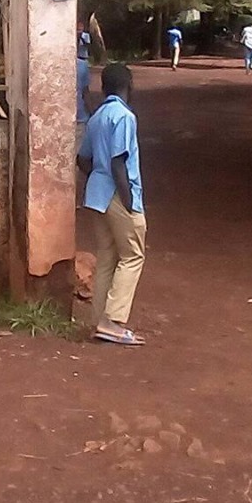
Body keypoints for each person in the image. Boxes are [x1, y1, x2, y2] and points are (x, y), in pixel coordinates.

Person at [77, 63, 146, 346]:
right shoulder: (124, 117)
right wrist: (129, 201)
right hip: (118, 193)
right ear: (128, 84)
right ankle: (114, 321)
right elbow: (120, 160)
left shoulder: (97, 116)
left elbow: (83, 159)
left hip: (96, 193)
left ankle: (98, 321)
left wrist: (98, 176)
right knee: (133, 255)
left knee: (107, 257)